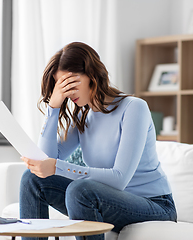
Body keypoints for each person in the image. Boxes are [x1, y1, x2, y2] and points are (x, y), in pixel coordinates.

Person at [20, 42, 177, 240]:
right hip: (107, 200)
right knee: (32, 179)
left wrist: (57, 166)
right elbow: (46, 161)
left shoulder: (134, 108)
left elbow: (119, 179)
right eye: (62, 87)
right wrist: (53, 107)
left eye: (70, 83)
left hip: (154, 206)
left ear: (91, 75)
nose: (68, 92)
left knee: (81, 190)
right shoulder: (83, 117)